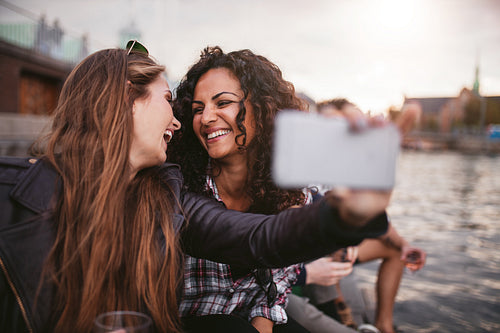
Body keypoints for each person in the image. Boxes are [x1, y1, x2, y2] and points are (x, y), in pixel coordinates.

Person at [0, 42, 393, 333]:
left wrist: (344, 215)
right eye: (173, 102)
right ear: (123, 100)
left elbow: (256, 239)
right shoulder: (10, 193)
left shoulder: (164, 196)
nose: (180, 121)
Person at [170, 47, 419, 333]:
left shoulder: (292, 190)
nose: (206, 118)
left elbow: (272, 290)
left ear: (262, 109)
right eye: (198, 109)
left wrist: (352, 216)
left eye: (222, 103)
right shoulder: (182, 184)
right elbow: (259, 238)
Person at [296, 98, 427, 333]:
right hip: (307, 254)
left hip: (341, 250)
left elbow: (378, 219)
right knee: (334, 252)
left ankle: (384, 325)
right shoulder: (301, 168)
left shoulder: (352, 168)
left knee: (396, 251)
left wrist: (405, 245)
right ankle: (346, 320)